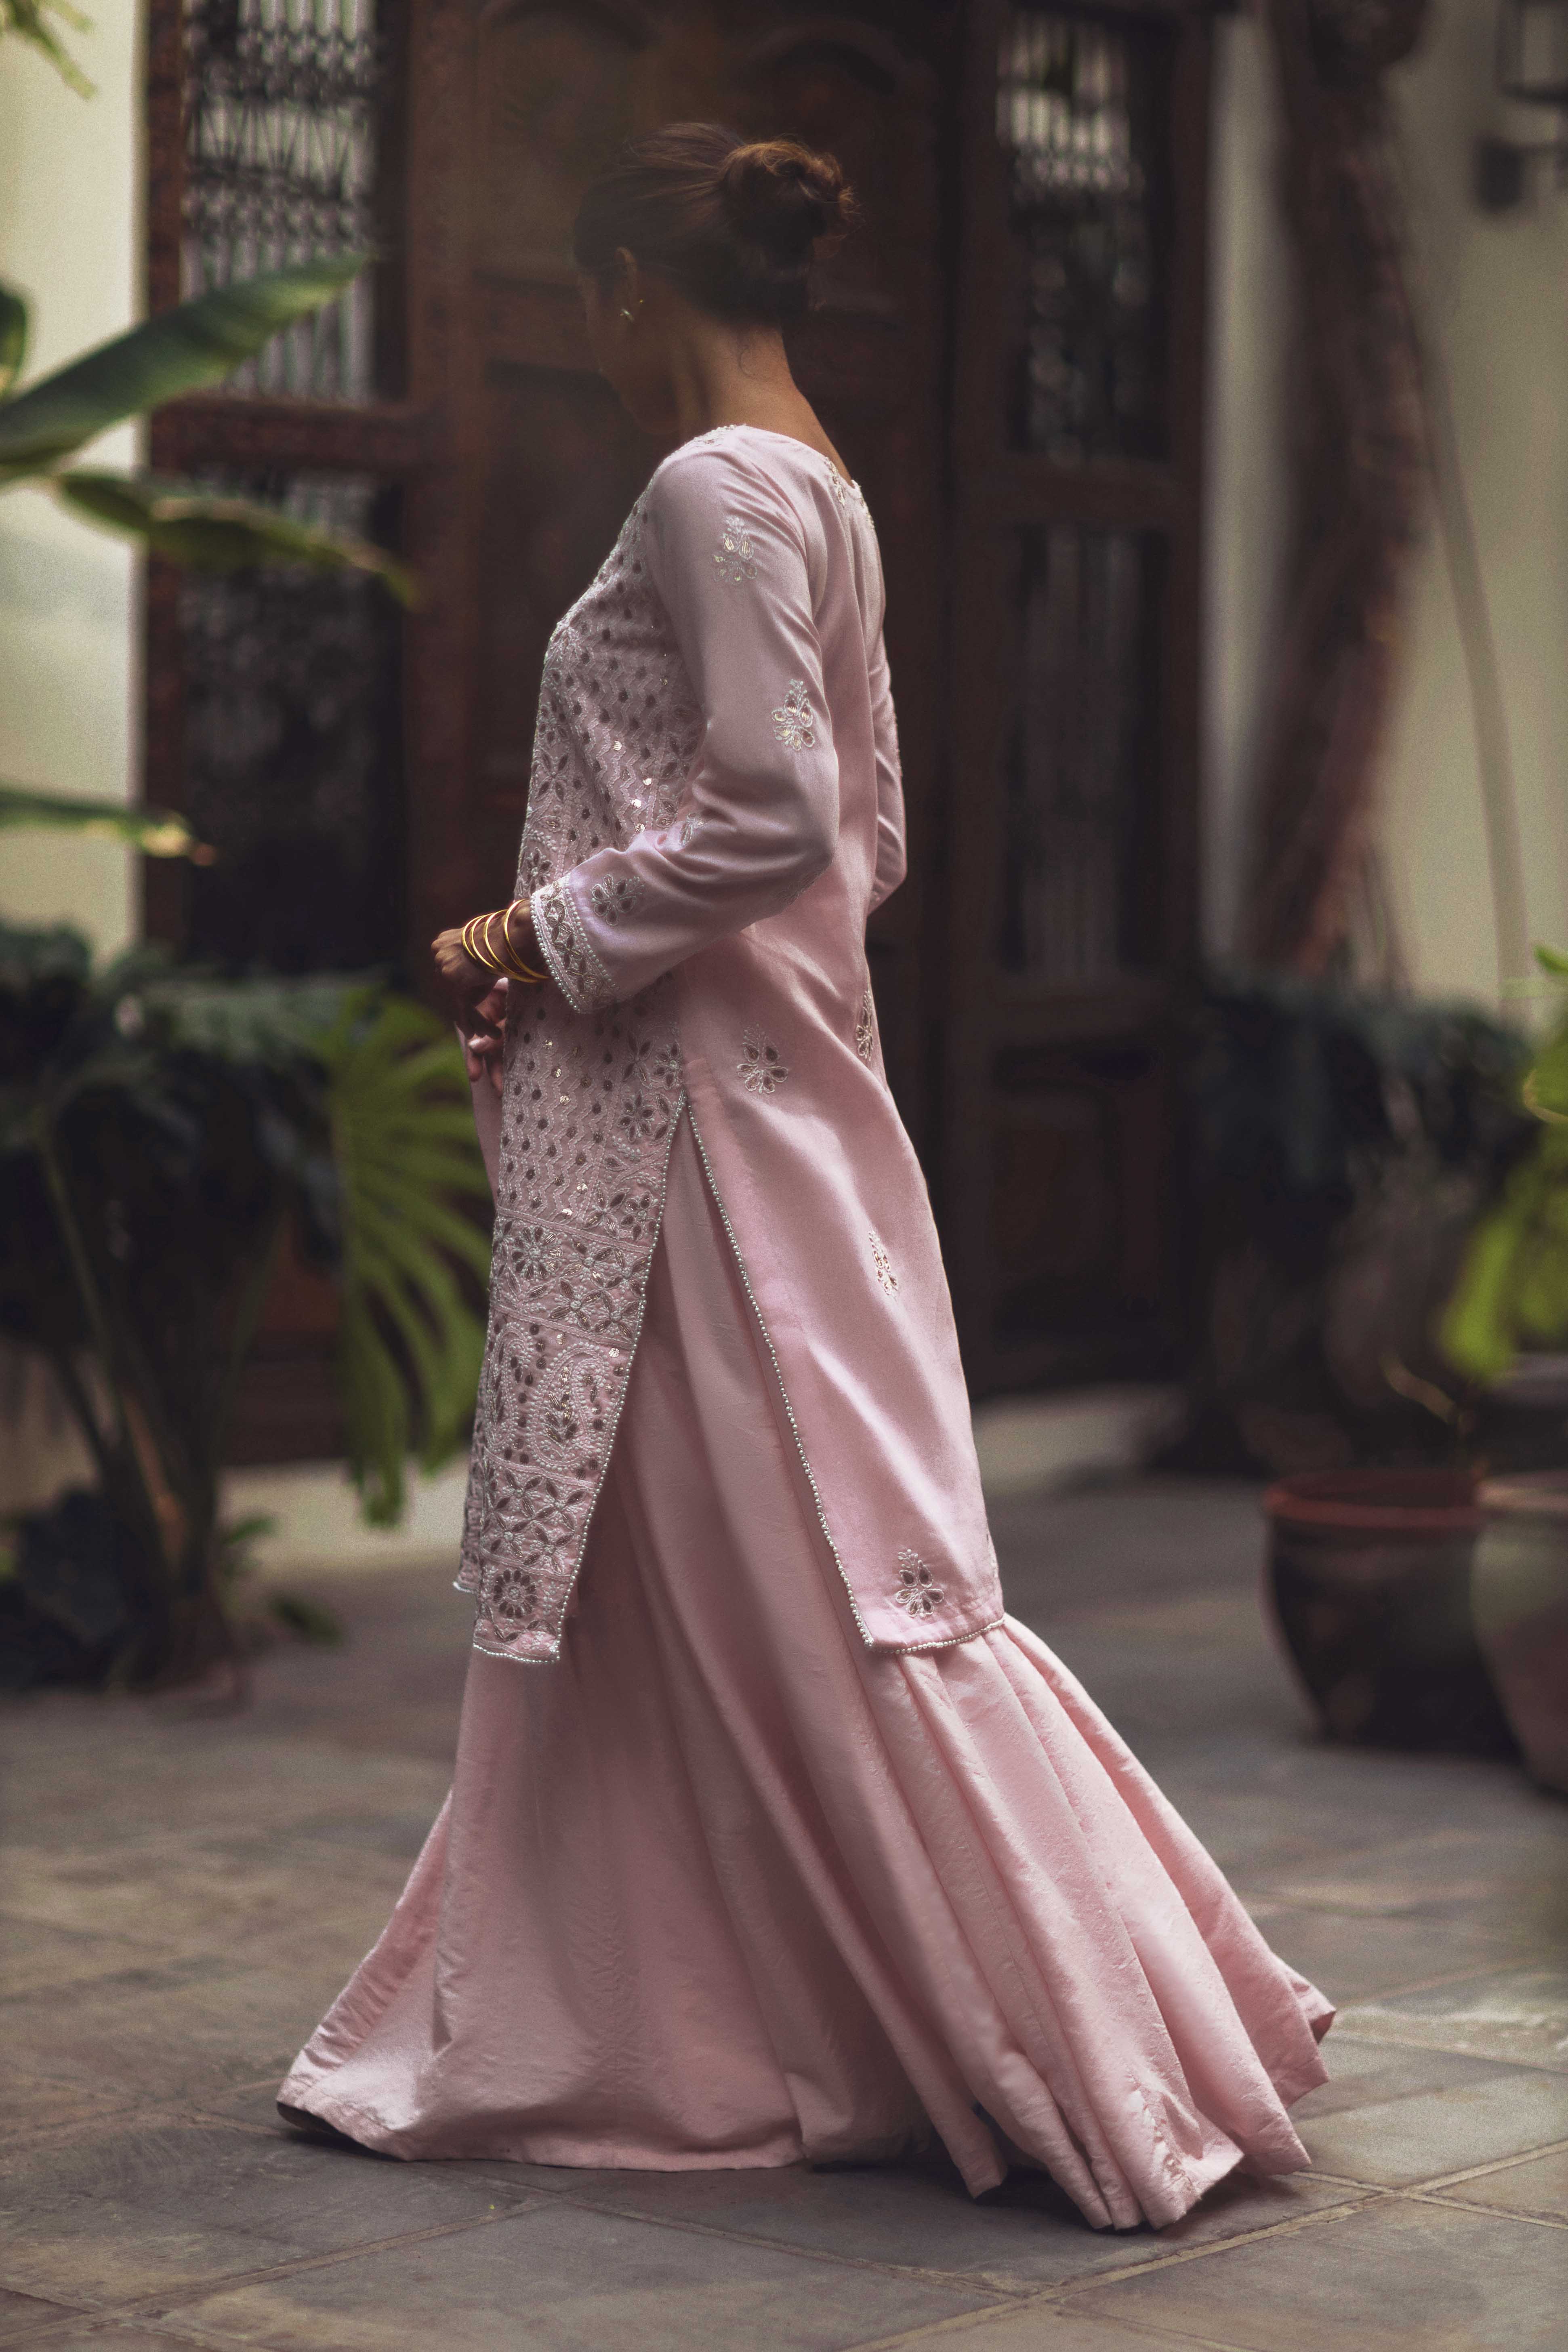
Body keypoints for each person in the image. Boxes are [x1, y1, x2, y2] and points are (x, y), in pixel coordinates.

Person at [279, 123, 1331, 2231]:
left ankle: (1018, 2038)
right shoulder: (819, 476)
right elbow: (876, 845)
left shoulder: (710, 483)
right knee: (735, 1583)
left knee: (818, 1585)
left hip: (713, 1141)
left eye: (585, 306)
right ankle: (740, 2009)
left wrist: (536, 939)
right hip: (759, 1100)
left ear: (622, 292)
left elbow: (776, 818)